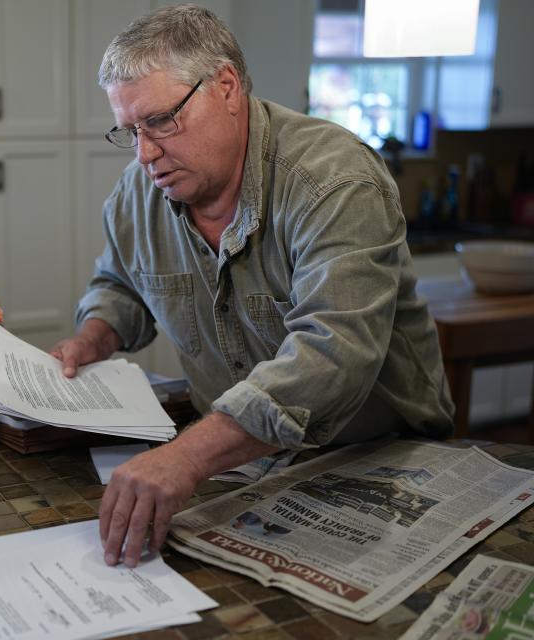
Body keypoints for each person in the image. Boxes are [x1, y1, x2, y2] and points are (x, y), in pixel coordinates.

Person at [49, 4, 454, 569]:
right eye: (130, 131)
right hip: (239, 463)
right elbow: (120, 284)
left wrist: (187, 456)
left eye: (162, 121)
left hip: (371, 457)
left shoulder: (334, 183)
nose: (145, 153)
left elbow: (331, 354)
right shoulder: (137, 196)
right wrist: (93, 335)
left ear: (226, 87)